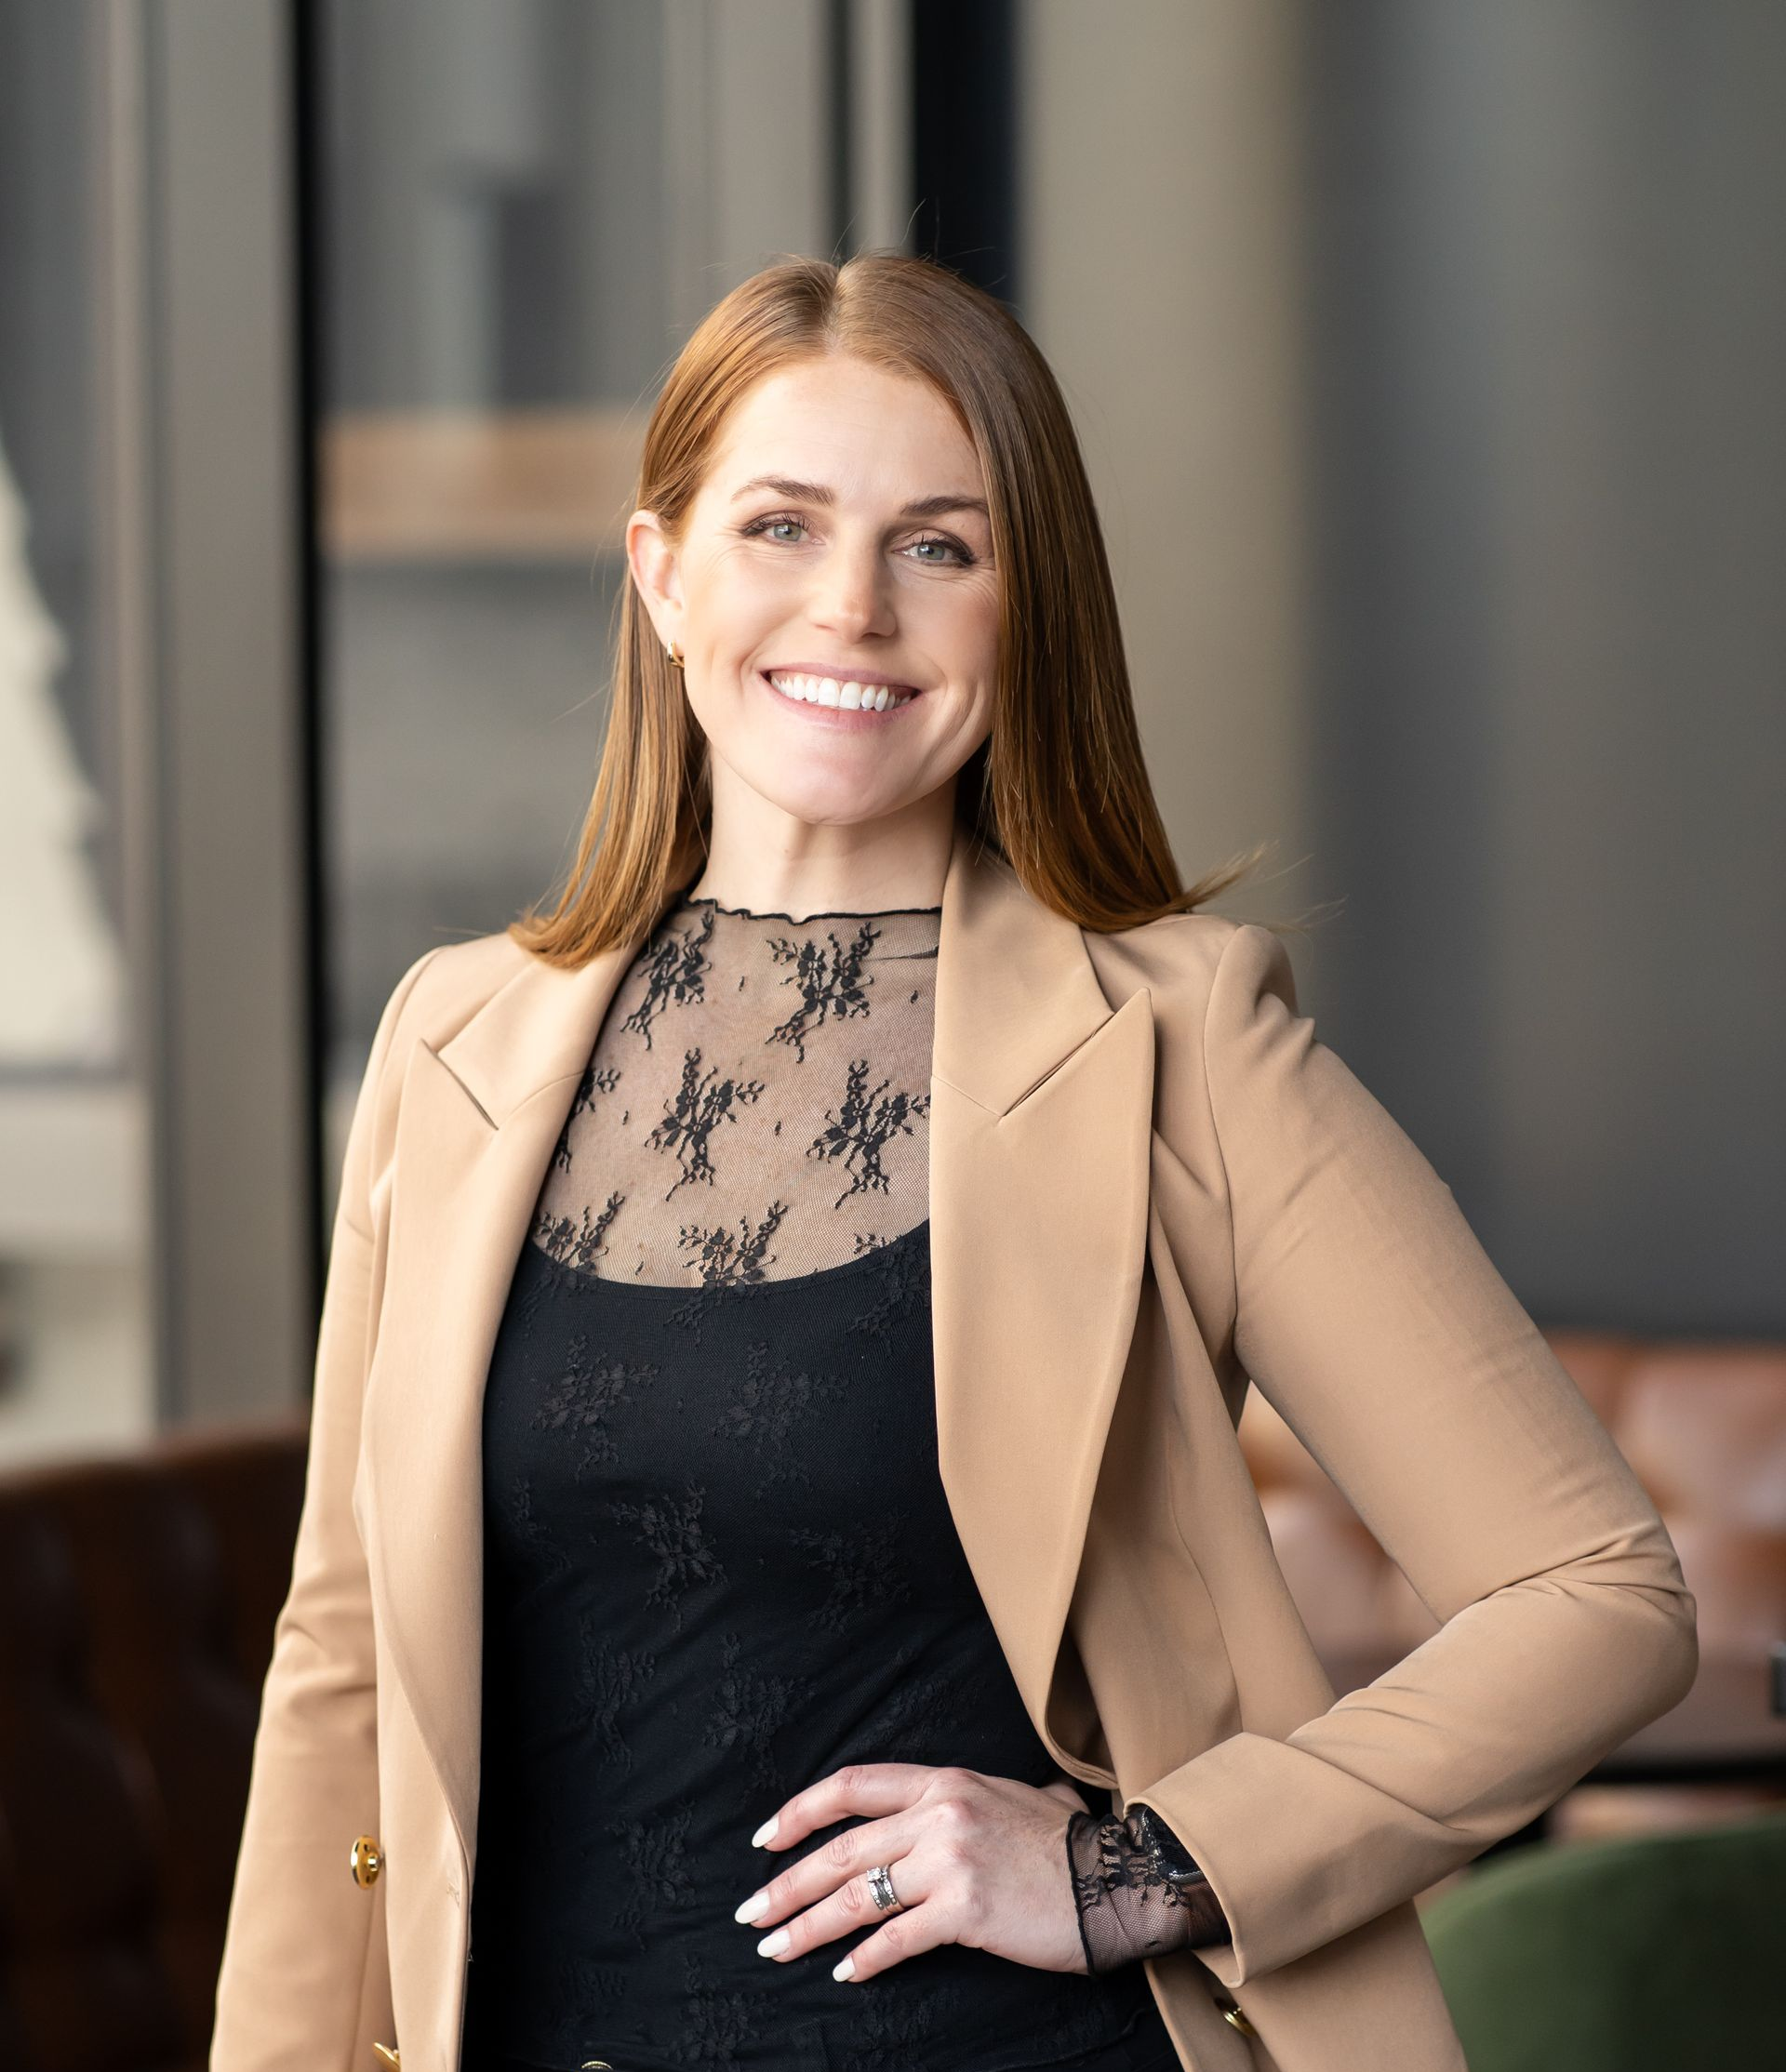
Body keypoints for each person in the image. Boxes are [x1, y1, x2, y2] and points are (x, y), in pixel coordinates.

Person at [209, 253, 1697, 2072]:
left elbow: (1600, 1594)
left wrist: (1135, 1867)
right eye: (779, 526)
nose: (852, 608)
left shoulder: (1183, 1042)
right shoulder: (452, 1040)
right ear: (662, 575)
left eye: (940, 545)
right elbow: (340, 1659)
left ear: (1024, 611)